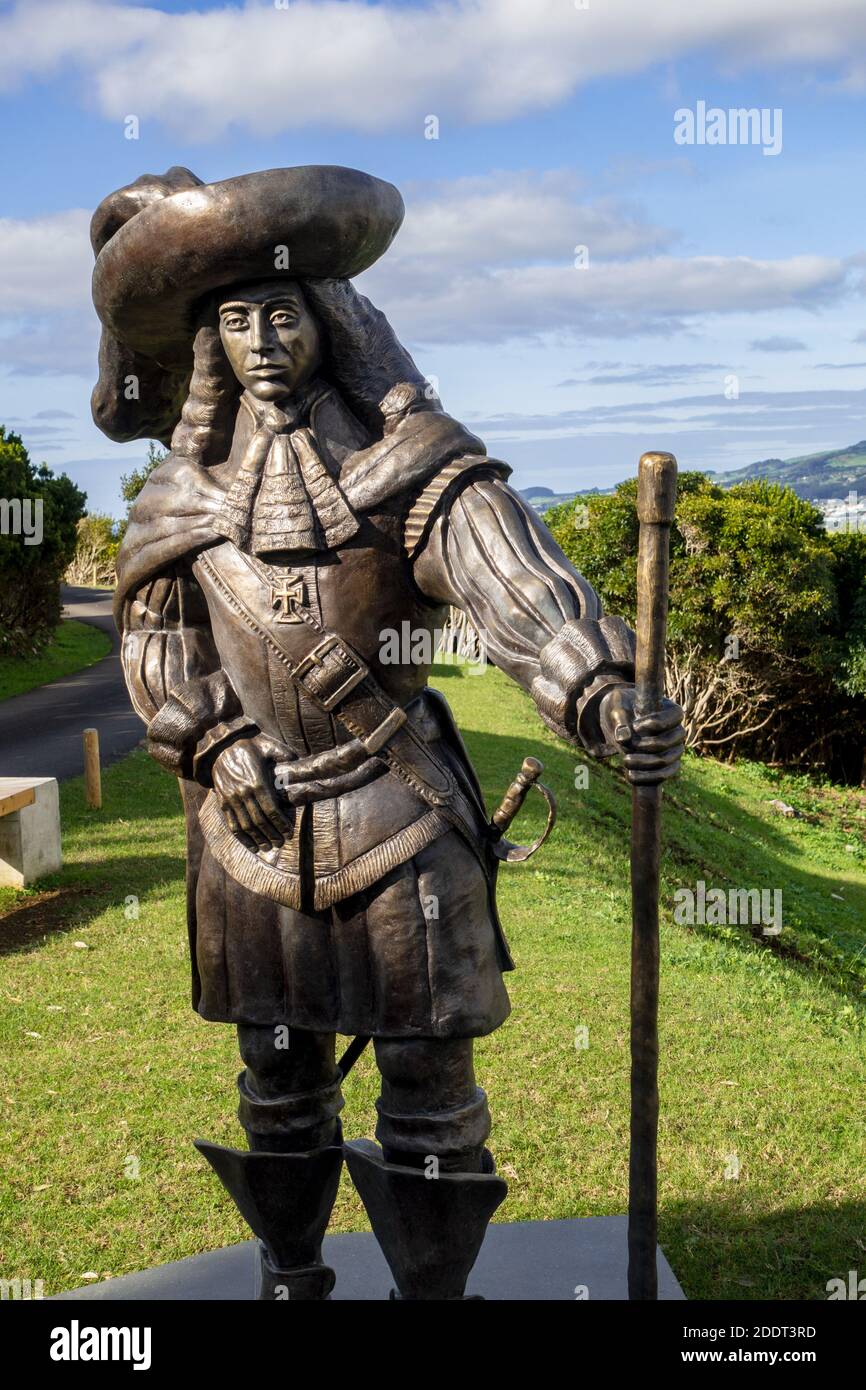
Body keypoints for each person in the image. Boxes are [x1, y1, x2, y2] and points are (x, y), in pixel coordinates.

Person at [92, 164, 685, 1300]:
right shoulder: (179, 496)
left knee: (427, 1083)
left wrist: (603, 697)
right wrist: (215, 747)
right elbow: (157, 640)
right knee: (274, 1074)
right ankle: (288, 1274)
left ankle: (432, 1297)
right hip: (246, 828)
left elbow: (512, 583)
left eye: (283, 310)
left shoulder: (409, 468)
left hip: (396, 813)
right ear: (211, 344)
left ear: (329, 321)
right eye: (235, 319)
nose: (262, 336)